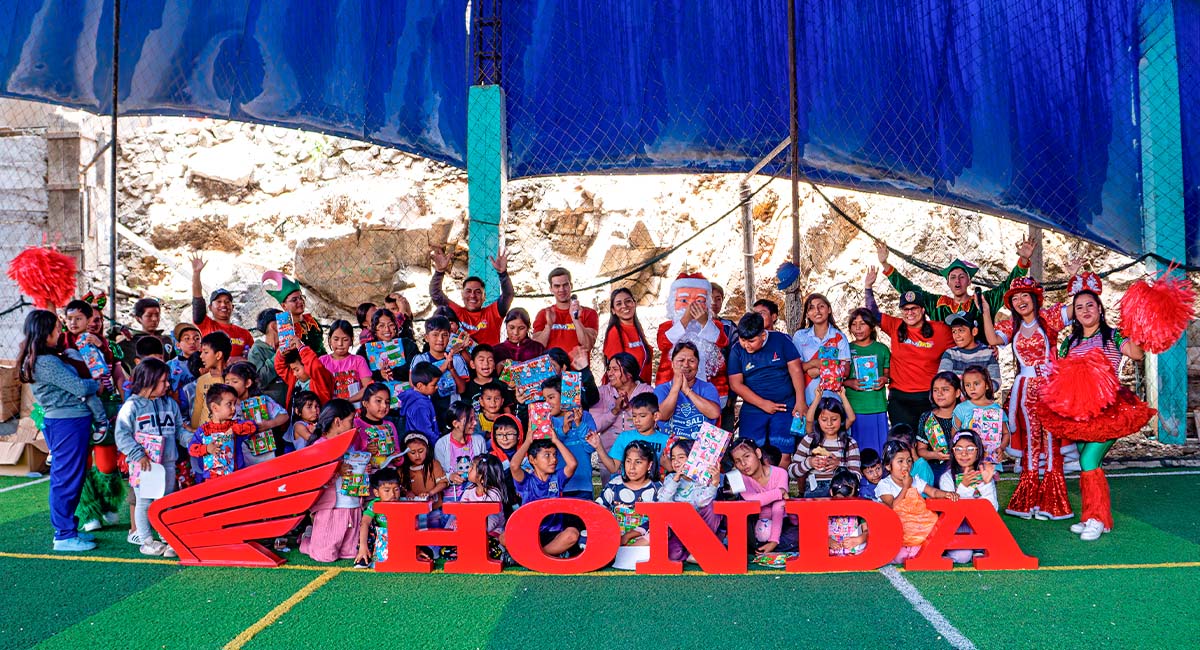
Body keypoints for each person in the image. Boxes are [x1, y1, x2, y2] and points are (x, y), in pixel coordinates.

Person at [1052, 273, 1146, 541]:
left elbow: (1137, 354)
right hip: (1079, 413)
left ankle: (1095, 518)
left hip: (1108, 412)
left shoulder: (1114, 336)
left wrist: (1138, 325)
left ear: (1100, 309)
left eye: (1090, 305)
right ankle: (1097, 517)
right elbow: (1060, 373)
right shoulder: (1069, 343)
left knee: (1088, 460)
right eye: (1079, 307)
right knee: (1089, 464)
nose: (1084, 311)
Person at [980, 273, 1074, 520]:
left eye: (1025, 295)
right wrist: (987, 311)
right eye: (1015, 297)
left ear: (1034, 298)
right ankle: (1028, 499)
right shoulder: (1012, 326)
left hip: (1051, 389)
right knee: (1032, 443)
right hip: (1025, 393)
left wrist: (1074, 276)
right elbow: (991, 338)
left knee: (1051, 442)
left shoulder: (1049, 318)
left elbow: (1075, 309)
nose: (1021, 300)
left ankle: (1053, 502)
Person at [19, 310, 108, 552]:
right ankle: (64, 535)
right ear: (45, 332)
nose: (61, 333)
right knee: (66, 479)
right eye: (57, 329)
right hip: (66, 423)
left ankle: (69, 530)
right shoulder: (45, 362)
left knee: (73, 477)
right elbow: (78, 385)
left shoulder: (49, 358)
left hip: (72, 422)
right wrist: (96, 384)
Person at [864, 266, 953, 432]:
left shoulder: (940, 330)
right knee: (904, 443)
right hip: (900, 398)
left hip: (929, 397)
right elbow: (872, 313)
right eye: (905, 309)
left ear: (923, 310)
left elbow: (963, 340)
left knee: (931, 443)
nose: (910, 313)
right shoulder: (895, 326)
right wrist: (868, 287)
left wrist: (988, 347)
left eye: (914, 309)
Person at [113, 358, 185, 558]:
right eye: (163, 381)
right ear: (149, 380)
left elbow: (180, 431)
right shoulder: (131, 406)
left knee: (166, 501)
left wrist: (199, 443)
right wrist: (138, 454)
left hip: (167, 464)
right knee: (144, 502)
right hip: (143, 466)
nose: (168, 385)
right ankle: (146, 541)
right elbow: (121, 435)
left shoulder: (170, 404)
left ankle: (167, 538)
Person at [874, 237, 1036, 323]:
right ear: (947, 283)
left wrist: (1022, 261)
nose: (957, 281)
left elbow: (1007, 287)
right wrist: (885, 264)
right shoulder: (938, 304)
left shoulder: (983, 302)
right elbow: (909, 290)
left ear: (969, 281)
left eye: (962, 277)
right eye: (953, 277)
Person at [726, 312, 807, 468]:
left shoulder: (781, 340)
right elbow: (736, 384)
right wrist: (763, 404)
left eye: (751, 341)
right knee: (749, 452)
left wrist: (800, 401)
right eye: (743, 340)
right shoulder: (737, 350)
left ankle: (779, 489)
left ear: (763, 335)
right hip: (754, 407)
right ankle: (755, 491)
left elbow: (796, 370)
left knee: (783, 452)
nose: (746, 345)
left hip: (785, 405)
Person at [874, 440, 959, 563]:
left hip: (916, 532)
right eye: (900, 461)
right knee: (900, 557)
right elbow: (893, 506)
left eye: (909, 461)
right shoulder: (884, 484)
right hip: (897, 535)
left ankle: (917, 548)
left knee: (920, 553)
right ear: (888, 466)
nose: (906, 465)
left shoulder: (915, 480)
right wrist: (906, 487)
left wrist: (946, 494)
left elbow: (933, 492)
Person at [300, 399, 363, 563]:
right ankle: (308, 539)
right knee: (325, 556)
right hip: (331, 507)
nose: (353, 425)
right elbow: (312, 479)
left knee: (349, 553)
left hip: (352, 504)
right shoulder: (319, 446)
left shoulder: (350, 443)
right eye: (350, 420)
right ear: (337, 421)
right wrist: (336, 471)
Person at [653, 275, 728, 404]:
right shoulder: (666, 327)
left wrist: (705, 322)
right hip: (671, 390)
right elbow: (663, 343)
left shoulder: (716, 326)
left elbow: (723, 342)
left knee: (708, 420)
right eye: (683, 301)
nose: (691, 306)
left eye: (699, 301)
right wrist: (685, 320)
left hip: (709, 389)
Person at [504, 432, 581, 556]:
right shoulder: (526, 480)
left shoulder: (557, 478)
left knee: (572, 534)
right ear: (532, 460)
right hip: (529, 533)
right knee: (504, 537)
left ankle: (537, 555)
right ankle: (549, 554)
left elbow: (572, 464)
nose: (554, 460)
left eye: (555, 455)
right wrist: (528, 441)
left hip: (554, 533)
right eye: (547, 455)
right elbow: (514, 465)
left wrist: (556, 441)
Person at [429, 247, 514, 346]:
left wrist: (503, 274)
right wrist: (439, 271)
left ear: (484, 297)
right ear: (462, 295)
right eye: (468, 291)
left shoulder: (493, 313)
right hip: (461, 360)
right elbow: (436, 294)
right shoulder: (456, 312)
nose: (472, 295)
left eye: (478, 292)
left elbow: (508, 295)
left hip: (488, 360)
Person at [938, 430, 998, 563]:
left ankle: (979, 547)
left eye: (970, 449)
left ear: (978, 451)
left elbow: (993, 510)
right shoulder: (947, 478)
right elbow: (954, 512)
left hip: (980, 528)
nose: (964, 453)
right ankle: (945, 550)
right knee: (963, 557)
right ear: (953, 452)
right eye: (958, 449)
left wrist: (986, 484)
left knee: (988, 550)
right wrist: (964, 487)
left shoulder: (984, 475)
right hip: (957, 528)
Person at [729, 438, 796, 555]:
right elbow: (750, 501)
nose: (743, 464)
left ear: (758, 453)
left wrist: (774, 540)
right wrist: (778, 492)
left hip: (780, 525)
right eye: (737, 461)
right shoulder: (736, 477)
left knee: (797, 535)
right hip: (752, 527)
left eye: (747, 456)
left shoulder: (780, 473)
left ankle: (774, 545)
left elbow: (779, 506)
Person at [659, 438, 721, 561]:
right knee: (673, 555)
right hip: (679, 530)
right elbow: (662, 502)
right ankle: (692, 552)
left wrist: (714, 482)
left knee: (713, 508)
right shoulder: (670, 478)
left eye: (681, 457)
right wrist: (676, 479)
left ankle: (701, 547)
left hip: (701, 527)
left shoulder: (703, 479)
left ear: (694, 458)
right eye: (673, 458)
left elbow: (702, 502)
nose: (676, 462)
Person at [588, 353, 654, 469]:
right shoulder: (602, 393)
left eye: (615, 369)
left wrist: (629, 408)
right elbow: (594, 426)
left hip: (641, 460)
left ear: (629, 374)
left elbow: (653, 423)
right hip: (608, 460)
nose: (609, 373)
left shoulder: (647, 392)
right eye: (609, 369)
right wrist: (615, 410)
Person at [789, 393, 860, 497]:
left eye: (834, 419)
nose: (829, 424)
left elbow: (857, 477)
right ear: (817, 420)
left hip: (841, 493)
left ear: (842, 420)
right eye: (824, 420)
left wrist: (839, 466)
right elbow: (791, 472)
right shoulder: (809, 440)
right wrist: (809, 463)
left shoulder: (850, 443)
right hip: (814, 491)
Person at [596, 440, 661, 548]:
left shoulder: (657, 489)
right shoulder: (615, 485)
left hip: (642, 539)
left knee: (660, 533)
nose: (632, 467)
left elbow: (658, 520)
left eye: (638, 462)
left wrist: (629, 535)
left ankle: (629, 551)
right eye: (628, 461)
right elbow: (598, 508)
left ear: (649, 465)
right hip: (615, 538)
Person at [844, 308, 890, 455]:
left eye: (862, 324)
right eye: (854, 324)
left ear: (871, 326)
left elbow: (887, 374)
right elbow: (838, 377)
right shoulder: (846, 349)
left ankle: (878, 477)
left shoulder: (881, 349)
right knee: (856, 450)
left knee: (878, 449)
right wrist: (849, 383)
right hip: (853, 408)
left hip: (877, 407)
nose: (857, 328)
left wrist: (884, 379)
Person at [187, 384, 256, 482]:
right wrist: (206, 448)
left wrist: (235, 429)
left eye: (234, 404)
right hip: (212, 480)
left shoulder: (236, 424)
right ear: (214, 407)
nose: (233, 408)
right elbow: (191, 449)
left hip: (237, 477)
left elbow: (252, 426)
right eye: (229, 404)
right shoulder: (203, 430)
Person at [224, 362, 289, 466]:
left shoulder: (262, 401)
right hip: (244, 457)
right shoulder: (227, 407)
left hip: (267, 455)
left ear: (248, 383)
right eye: (227, 383)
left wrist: (269, 424)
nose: (230, 386)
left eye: (235, 382)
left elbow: (284, 415)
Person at [190, 254, 254, 359]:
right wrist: (196, 274)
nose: (223, 305)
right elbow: (197, 300)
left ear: (232, 307)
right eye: (218, 302)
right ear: (210, 307)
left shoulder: (244, 334)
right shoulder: (207, 325)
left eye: (227, 302)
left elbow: (252, 357)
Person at [792, 292, 851, 405]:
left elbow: (846, 370)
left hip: (833, 399)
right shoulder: (800, 336)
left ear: (829, 309)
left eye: (821, 306)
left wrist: (820, 370)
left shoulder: (839, 337)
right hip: (806, 398)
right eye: (811, 308)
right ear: (807, 314)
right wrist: (815, 362)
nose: (817, 311)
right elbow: (795, 368)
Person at [590, 392, 666, 479]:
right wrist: (598, 446)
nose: (637, 420)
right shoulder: (625, 437)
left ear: (655, 416)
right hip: (628, 489)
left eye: (642, 416)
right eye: (634, 416)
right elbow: (613, 468)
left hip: (655, 489)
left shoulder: (665, 441)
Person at [412, 316, 471, 429]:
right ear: (426, 337)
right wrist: (444, 366)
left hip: (452, 411)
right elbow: (415, 385)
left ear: (449, 337)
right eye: (435, 335)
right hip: (427, 411)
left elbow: (462, 389)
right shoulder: (420, 359)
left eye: (444, 335)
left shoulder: (457, 359)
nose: (440, 339)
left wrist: (452, 369)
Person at [655, 341, 721, 440]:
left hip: (701, 449)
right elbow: (662, 416)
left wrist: (687, 391)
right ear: (672, 364)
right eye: (681, 360)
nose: (686, 365)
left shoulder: (707, 388)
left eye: (691, 361)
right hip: (670, 448)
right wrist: (675, 389)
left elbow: (714, 413)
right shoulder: (661, 389)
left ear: (698, 365)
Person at [952, 366, 1011, 467]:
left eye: (976, 384)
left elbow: (1006, 433)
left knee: (989, 482)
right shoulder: (960, 408)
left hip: (990, 461)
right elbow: (954, 435)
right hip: (967, 462)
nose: (972, 388)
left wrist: (1001, 448)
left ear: (987, 385)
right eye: (967, 385)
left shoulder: (996, 409)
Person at [532, 267, 598, 356]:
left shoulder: (588, 313)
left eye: (565, 285)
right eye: (557, 286)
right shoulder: (544, 314)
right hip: (551, 369)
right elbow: (536, 349)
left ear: (571, 285)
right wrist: (548, 326)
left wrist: (576, 319)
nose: (561, 289)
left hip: (577, 369)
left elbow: (587, 345)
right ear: (551, 289)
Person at [434, 401, 489, 505]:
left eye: (475, 419)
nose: (475, 423)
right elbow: (438, 474)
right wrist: (450, 476)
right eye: (470, 420)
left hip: (476, 496)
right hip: (451, 498)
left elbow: (485, 469)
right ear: (455, 424)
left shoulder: (479, 441)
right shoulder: (441, 444)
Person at [938, 312, 1001, 391]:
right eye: (954, 331)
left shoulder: (988, 353)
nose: (957, 336)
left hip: (980, 402)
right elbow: (943, 380)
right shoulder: (950, 354)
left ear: (974, 331)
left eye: (961, 330)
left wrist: (975, 393)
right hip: (957, 402)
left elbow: (995, 381)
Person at [916, 372, 961, 481]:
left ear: (957, 393)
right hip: (935, 470)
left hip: (962, 467)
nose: (939, 394)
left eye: (945, 390)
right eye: (935, 390)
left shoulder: (965, 415)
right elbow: (921, 450)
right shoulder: (927, 418)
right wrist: (934, 455)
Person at [603, 287, 654, 383]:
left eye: (628, 301)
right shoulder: (614, 332)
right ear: (613, 310)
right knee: (570, 397)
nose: (624, 306)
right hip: (572, 375)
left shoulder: (637, 328)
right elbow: (616, 369)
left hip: (639, 390)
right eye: (619, 303)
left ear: (634, 303)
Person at [356, 308, 421, 383]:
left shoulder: (407, 344)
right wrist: (380, 374)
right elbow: (361, 373)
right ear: (374, 329)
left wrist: (393, 372)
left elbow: (416, 366)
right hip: (377, 393)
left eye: (391, 325)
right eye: (381, 326)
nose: (387, 329)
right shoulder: (364, 350)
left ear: (395, 327)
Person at [355, 467, 402, 568]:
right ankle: (364, 556)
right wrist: (363, 547)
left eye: (396, 489)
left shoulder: (403, 503)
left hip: (400, 538)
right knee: (368, 527)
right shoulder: (374, 504)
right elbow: (365, 523)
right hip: (381, 540)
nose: (393, 494)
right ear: (376, 493)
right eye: (387, 490)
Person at [320, 320, 372, 403]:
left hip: (356, 411)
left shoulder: (359, 361)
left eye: (345, 340)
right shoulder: (322, 361)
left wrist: (348, 401)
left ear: (351, 340)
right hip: (330, 411)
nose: (340, 344)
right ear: (329, 340)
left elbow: (368, 387)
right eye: (336, 339)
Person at [247, 309, 289, 408]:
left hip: (290, 405)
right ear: (274, 326)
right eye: (286, 324)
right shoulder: (257, 350)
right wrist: (278, 356)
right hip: (270, 409)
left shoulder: (290, 348)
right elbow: (259, 380)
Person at [190, 332, 232, 430]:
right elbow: (197, 410)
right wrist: (195, 432)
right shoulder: (202, 380)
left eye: (205, 352)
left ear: (218, 355)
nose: (201, 356)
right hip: (206, 436)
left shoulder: (233, 379)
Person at [460, 454, 509, 535]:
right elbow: (462, 509)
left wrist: (473, 529)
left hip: (492, 531)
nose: (468, 470)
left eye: (472, 468)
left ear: (482, 478)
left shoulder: (494, 494)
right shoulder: (469, 490)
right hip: (472, 525)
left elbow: (493, 520)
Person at [276, 345, 336, 410]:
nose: (294, 374)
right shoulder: (294, 380)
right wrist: (282, 352)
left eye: (297, 370)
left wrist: (301, 348)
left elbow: (315, 366)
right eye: (293, 370)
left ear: (306, 365)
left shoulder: (319, 382)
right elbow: (279, 366)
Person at [355, 383, 400, 465]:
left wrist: (397, 458)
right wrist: (366, 450)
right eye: (378, 401)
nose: (384, 406)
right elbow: (351, 454)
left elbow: (397, 451)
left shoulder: (390, 425)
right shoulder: (356, 424)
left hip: (388, 474)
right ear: (365, 403)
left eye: (387, 402)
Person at [828, 469, 868, 557]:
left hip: (854, 555)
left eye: (848, 500)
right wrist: (828, 541)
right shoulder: (825, 510)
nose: (843, 505)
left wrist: (858, 539)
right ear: (831, 492)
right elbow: (816, 533)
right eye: (840, 500)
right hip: (830, 557)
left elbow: (867, 531)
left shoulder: (860, 511)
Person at [397, 363, 441, 443]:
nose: (437, 387)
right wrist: (439, 443)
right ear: (420, 385)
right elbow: (426, 432)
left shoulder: (416, 397)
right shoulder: (420, 406)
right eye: (434, 384)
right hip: (424, 446)